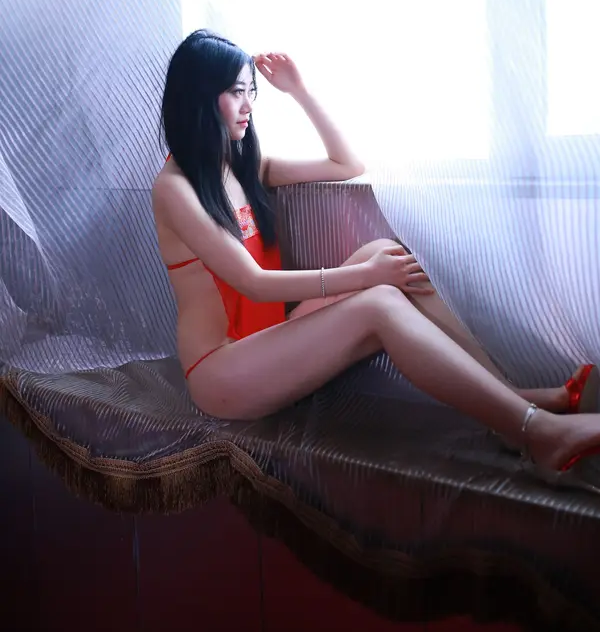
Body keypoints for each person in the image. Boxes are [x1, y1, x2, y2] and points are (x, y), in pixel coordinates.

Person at [153, 30, 600, 490]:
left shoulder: (243, 165)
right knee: (378, 301)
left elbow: (347, 164)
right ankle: (537, 431)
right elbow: (254, 283)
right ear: (199, 97)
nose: (249, 105)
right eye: (236, 92)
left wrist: (299, 91)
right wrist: (365, 277)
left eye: (252, 92)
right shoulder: (175, 189)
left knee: (386, 254)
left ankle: (509, 406)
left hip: (267, 342)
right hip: (222, 371)